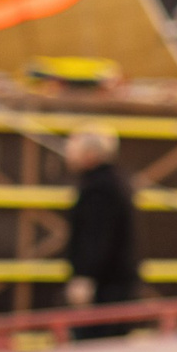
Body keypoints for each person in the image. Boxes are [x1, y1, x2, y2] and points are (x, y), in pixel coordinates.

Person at [62, 127, 140, 336]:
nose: (67, 155)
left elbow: (96, 236)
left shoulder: (100, 187)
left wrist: (85, 276)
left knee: (97, 343)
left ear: (91, 154)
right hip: (113, 283)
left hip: (106, 286)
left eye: (73, 149)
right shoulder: (111, 181)